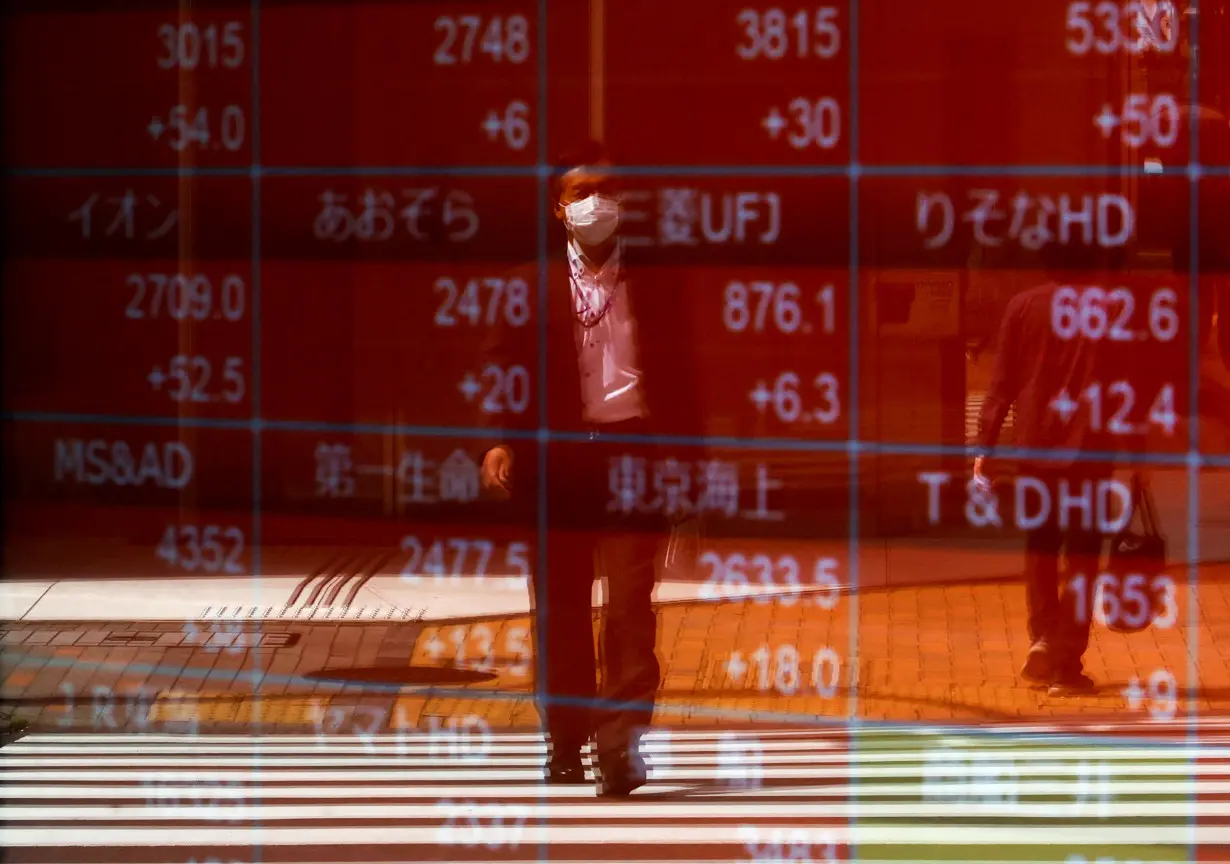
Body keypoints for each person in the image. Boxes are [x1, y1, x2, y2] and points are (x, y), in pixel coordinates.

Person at [478, 140, 696, 796]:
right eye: (580, 192)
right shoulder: (526, 284)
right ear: (558, 207)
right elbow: (501, 366)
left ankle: (621, 747)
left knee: (631, 605)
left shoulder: (654, 283)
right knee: (562, 609)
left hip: (633, 454)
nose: (596, 202)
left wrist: (690, 462)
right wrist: (498, 440)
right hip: (557, 463)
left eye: (607, 189)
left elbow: (686, 378)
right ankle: (565, 740)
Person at [972, 247, 1121, 696]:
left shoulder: (1022, 307)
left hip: (1035, 448)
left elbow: (1002, 382)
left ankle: (1042, 637)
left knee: (1039, 545)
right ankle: (1066, 659)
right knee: (1081, 556)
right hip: (1089, 451)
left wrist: (985, 446)